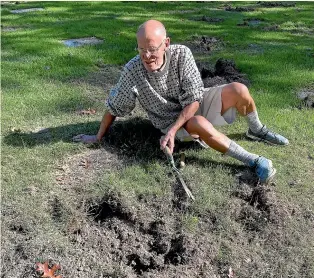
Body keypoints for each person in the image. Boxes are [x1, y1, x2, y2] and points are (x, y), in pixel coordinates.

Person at [73, 19, 289, 183]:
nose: (147, 56)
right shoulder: (133, 70)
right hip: (171, 121)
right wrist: (98, 137)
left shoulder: (182, 54)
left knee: (239, 90)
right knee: (198, 123)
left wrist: (173, 131)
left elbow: (195, 98)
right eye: (141, 50)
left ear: (166, 43)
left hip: (193, 106)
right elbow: (115, 106)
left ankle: (257, 130)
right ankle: (254, 161)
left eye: (153, 49)